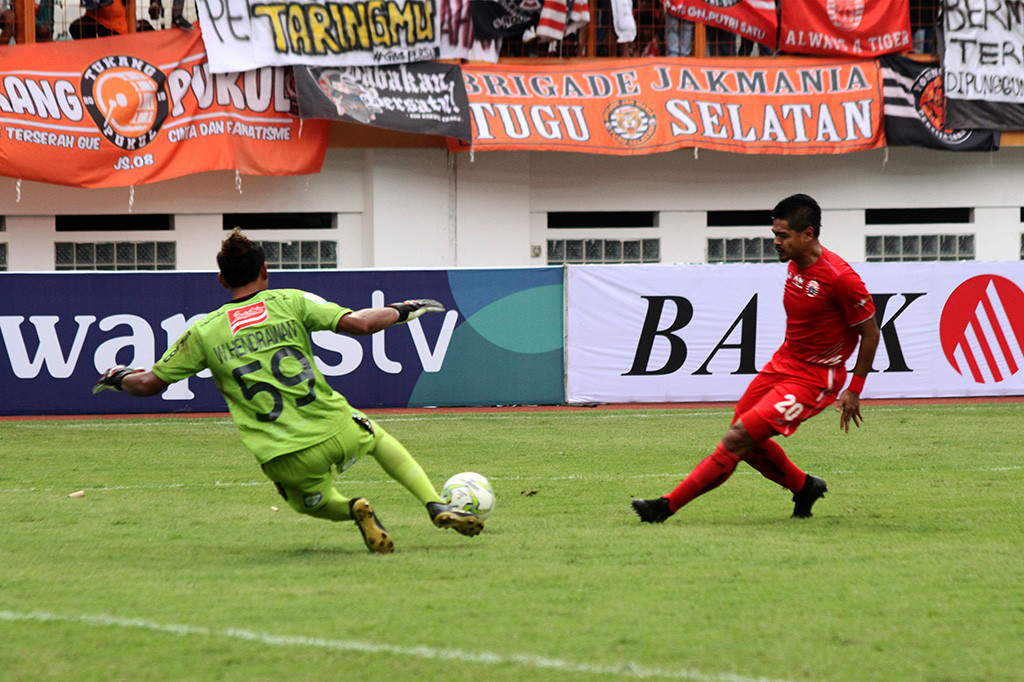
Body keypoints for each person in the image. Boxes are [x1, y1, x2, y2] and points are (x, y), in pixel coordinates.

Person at [94, 229, 484, 553]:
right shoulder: (291, 301)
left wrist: (117, 375)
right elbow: (360, 324)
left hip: (282, 453)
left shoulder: (204, 331)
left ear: (221, 279)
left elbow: (147, 385)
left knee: (307, 503)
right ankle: (433, 502)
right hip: (334, 426)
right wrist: (403, 309)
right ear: (266, 270)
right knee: (378, 440)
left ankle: (354, 509)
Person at [632, 194, 880, 522]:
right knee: (744, 432)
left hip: (815, 379)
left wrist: (854, 389)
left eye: (783, 236)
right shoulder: (795, 262)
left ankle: (665, 507)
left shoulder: (840, 278)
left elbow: (871, 333)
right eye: (774, 234)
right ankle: (803, 486)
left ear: (808, 234)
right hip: (784, 364)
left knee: (738, 437)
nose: (776, 242)